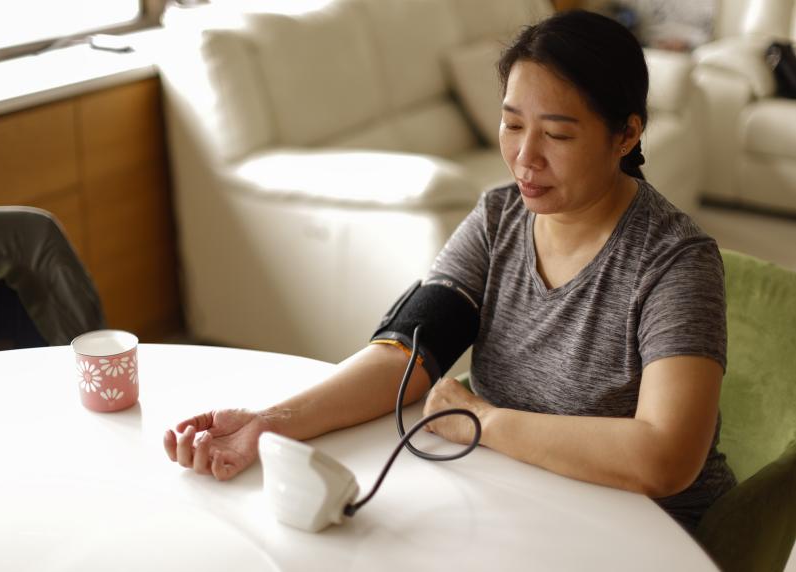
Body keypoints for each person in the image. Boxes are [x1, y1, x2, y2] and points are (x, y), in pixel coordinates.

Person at [163, 10, 736, 533]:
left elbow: (665, 458)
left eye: (558, 134)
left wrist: (486, 422)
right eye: (513, 125)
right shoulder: (498, 217)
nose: (525, 158)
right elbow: (408, 353)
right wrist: (271, 421)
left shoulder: (674, 262)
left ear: (627, 134)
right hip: (523, 502)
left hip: (653, 533)